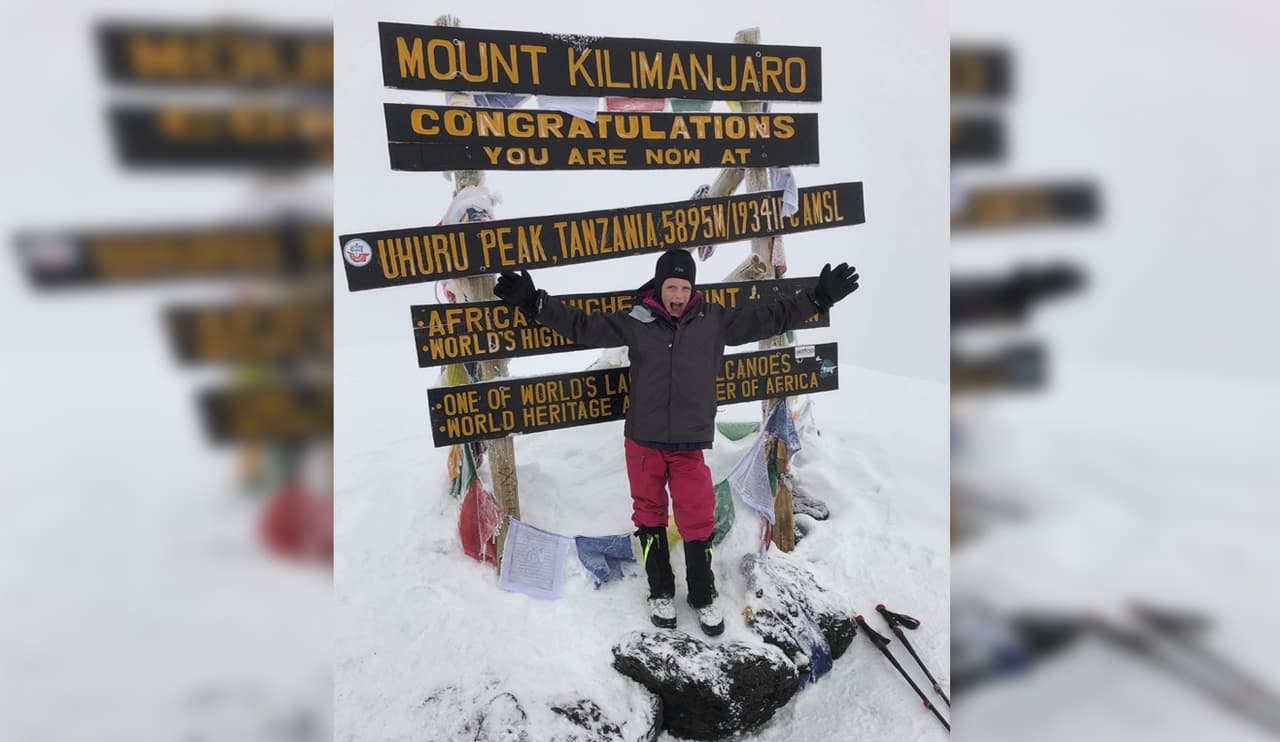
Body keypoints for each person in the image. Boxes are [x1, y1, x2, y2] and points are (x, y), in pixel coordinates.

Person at [494, 251, 860, 635]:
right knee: (649, 516)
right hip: (643, 443)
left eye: (685, 287)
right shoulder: (636, 321)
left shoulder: (714, 320)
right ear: (659, 286)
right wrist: (535, 303)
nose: (678, 295)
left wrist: (818, 298)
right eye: (671, 286)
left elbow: (768, 318)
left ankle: (703, 595)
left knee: (697, 518)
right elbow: (583, 326)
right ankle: (660, 591)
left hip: (689, 444)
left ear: (693, 289)